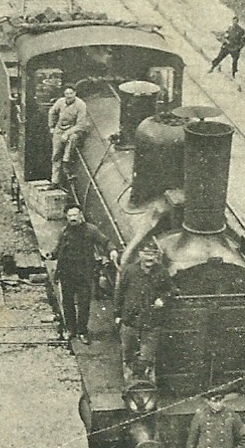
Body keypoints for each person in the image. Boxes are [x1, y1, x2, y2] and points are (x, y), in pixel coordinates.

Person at [53, 205, 119, 343]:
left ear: (81, 215)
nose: (73, 218)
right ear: (66, 217)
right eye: (70, 216)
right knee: (68, 303)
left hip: (84, 274)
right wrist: (51, 255)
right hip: (67, 273)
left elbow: (105, 241)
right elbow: (58, 250)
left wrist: (112, 250)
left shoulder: (91, 230)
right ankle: (70, 329)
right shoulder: (64, 232)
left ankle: (82, 331)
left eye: (75, 215)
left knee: (84, 304)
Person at [114, 244, 173, 379]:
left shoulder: (162, 272)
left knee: (147, 356)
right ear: (140, 255)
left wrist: (163, 299)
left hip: (151, 321)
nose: (149, 258)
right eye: (146, 254)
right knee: (128, 352)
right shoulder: (130, 271)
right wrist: (117, 315)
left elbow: (171, 290)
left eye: (152, 254)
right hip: (130, 320)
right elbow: (120, 293)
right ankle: (129, 379)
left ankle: (146, 383)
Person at [48, 85, 88, 188]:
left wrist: (67, 133)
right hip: (60, 128)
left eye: (71, 94)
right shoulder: (61, 102)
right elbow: (52, 112)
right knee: (56, 155)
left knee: (73, 138)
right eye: (67, 94)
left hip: (73, 129)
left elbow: (81, 125)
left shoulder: (81, 105)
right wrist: (52, 126)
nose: (69, 96)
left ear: (75, 93)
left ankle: (66, 161)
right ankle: (55, 181)